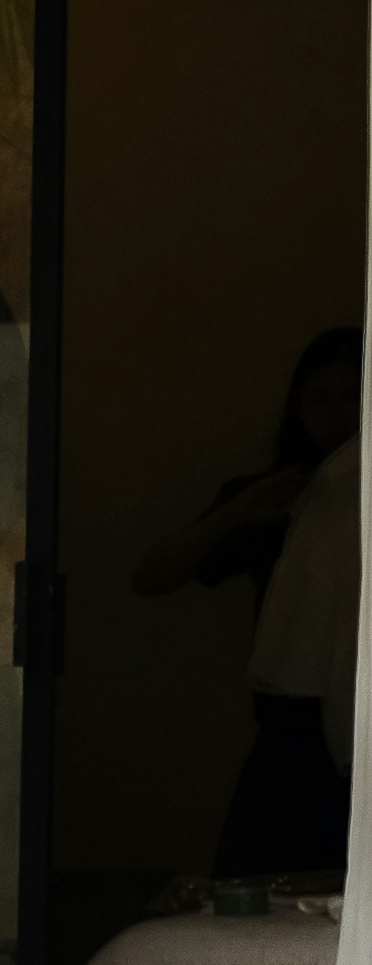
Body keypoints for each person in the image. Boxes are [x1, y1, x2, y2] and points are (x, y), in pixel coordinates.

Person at [139, 321, 360, 874]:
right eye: (319, 399)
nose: (337, 413)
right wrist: (239, 513)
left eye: (352, 396)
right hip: (294, 736)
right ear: (298, 407)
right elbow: (152, 575)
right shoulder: (275, 497)